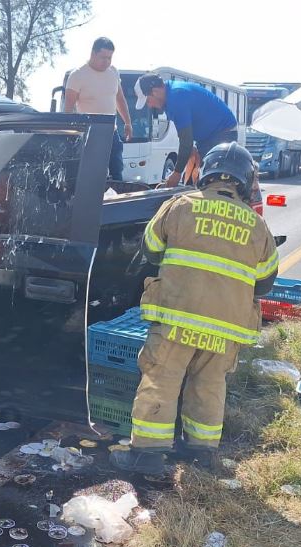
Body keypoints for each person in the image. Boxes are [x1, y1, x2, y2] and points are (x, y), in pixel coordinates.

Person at [109, 143, 279, 475]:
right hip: (225, 328)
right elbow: (265, 282)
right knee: (209, 385)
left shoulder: (179, 206)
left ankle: (148, 458)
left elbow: (151, 249)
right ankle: (200, 454)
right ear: (244, 181)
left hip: (176, 317)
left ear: (206, 172)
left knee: (162, 379)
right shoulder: (258, 226)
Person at [134, 73, 238, 188]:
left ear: (155, 92)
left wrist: (176, 173)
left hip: (222, 133)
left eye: (148, 101)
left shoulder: (177, 97)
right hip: (209, 136)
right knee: (195, 176)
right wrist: (190, 148)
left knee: (210, 181)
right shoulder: (170, 95)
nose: (149, 106)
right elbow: (187, 137)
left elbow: (186, 141)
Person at [63, 37, 133, 181]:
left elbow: (120, 98)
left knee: (117, 174)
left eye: (110, 58)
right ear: (93, 53)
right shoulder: (77, 75)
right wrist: (69, 134)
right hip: (89, 134)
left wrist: (127, 122)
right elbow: (68, 108)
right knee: (90, 177)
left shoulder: (113, 72)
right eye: (103, 57)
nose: (106, 61)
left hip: (111, 133)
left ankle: (115, 200)